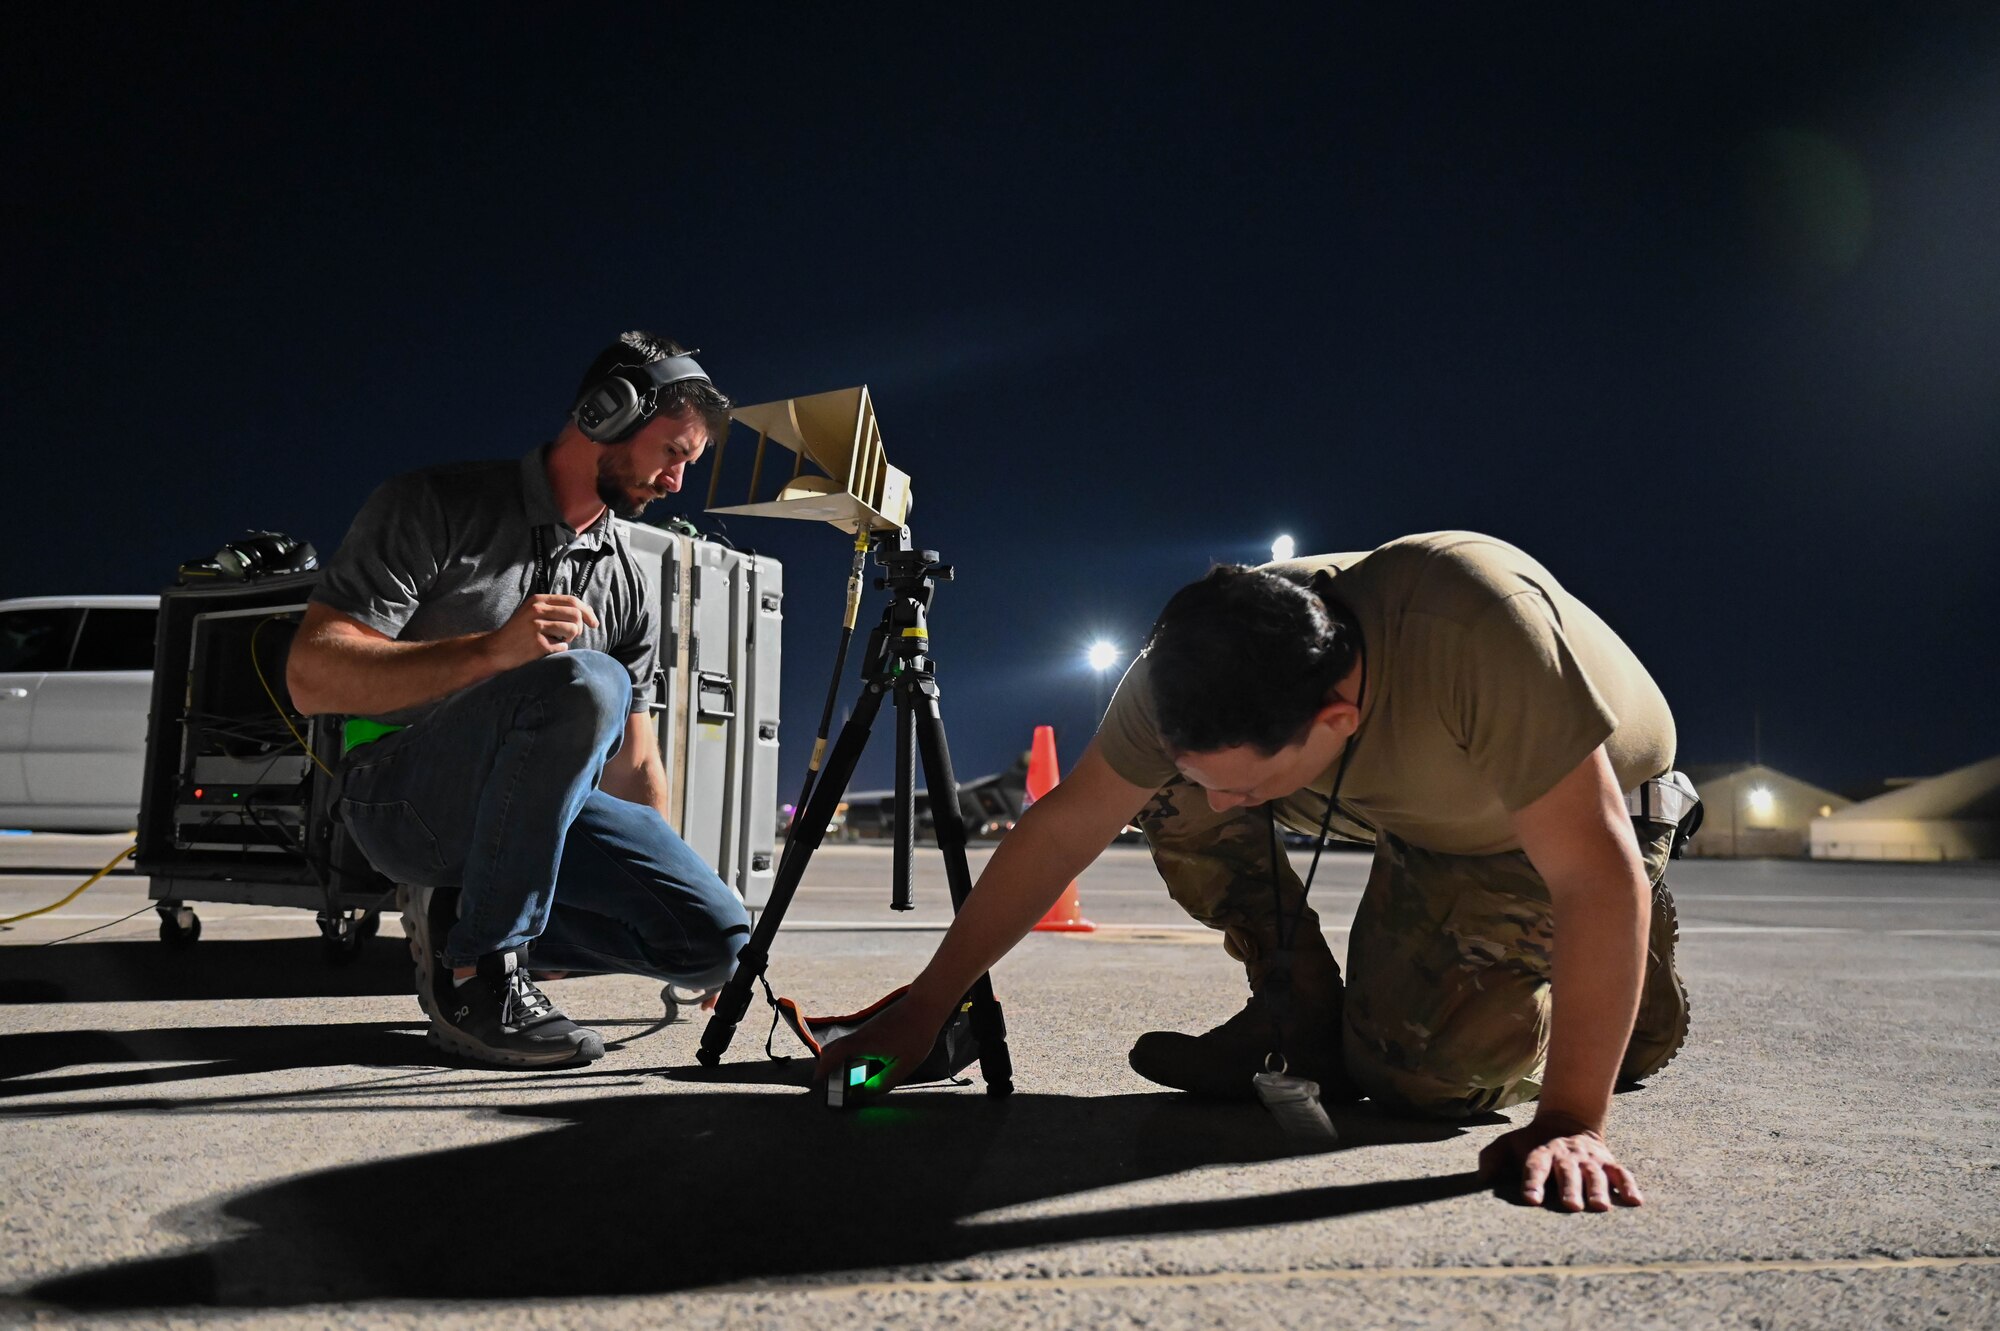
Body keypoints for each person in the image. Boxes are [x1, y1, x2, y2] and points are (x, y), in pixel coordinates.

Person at [818, 531, 1697, 1212]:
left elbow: (1592, 871)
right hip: (1388, 796)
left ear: (1338, 716)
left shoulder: (1479, 630)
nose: (1226, 808)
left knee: (1420, 1083)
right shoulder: (1188, 667)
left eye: (1243, 784)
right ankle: (1298, 1016)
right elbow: (1063, 827)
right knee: (1167, 794)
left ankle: (1633, 997)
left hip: (1546, 824)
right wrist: (929, 1005)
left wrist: (1573, 1121)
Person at [287, 331, 752, 1069]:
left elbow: (635, 767)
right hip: (402, 798)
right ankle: (483, 975)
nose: (676, 483)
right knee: (588, 679)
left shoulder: (628, 584)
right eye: (672, 453)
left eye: (688, 465)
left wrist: (658, 884)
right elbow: (311, 675)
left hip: (528, 817)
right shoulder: (438, 505)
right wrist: (489, 653)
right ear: (607, 413)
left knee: (719, 942)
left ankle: (465, 921)